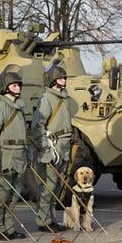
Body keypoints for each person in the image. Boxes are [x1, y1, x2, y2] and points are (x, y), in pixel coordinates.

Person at [0, 65, 29, 240]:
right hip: (5, 156)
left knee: (15, 194)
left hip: (19, 155)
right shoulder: (0, 108)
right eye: (14, 85)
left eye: (19, 85)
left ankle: (9, 227)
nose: (18, 87)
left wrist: (27, 153)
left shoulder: (20, 108)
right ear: (6, 86)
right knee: (1, 194)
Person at [32, 63, 75, 232]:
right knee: (48, 186)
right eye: (61, 78)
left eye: (64, 78)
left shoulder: (64, 98)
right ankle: (44, 221)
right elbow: (38, 125)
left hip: (64, 147)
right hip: (53, 148)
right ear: (53, 81)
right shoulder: (47, 99)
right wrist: (45, 147)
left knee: (56, 187)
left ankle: (51, 220)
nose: (64, 80)